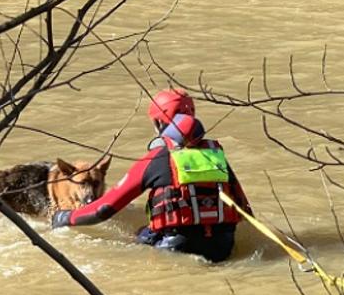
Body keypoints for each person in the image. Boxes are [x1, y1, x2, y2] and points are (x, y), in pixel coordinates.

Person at [51, 89, 252, 262]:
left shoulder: (155, 159)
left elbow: (103, 210)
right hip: (224, 248)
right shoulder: (216, 155)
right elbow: (244, 209)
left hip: (177, 248)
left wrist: (64, 217)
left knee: (136, 237)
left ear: (159, 123)